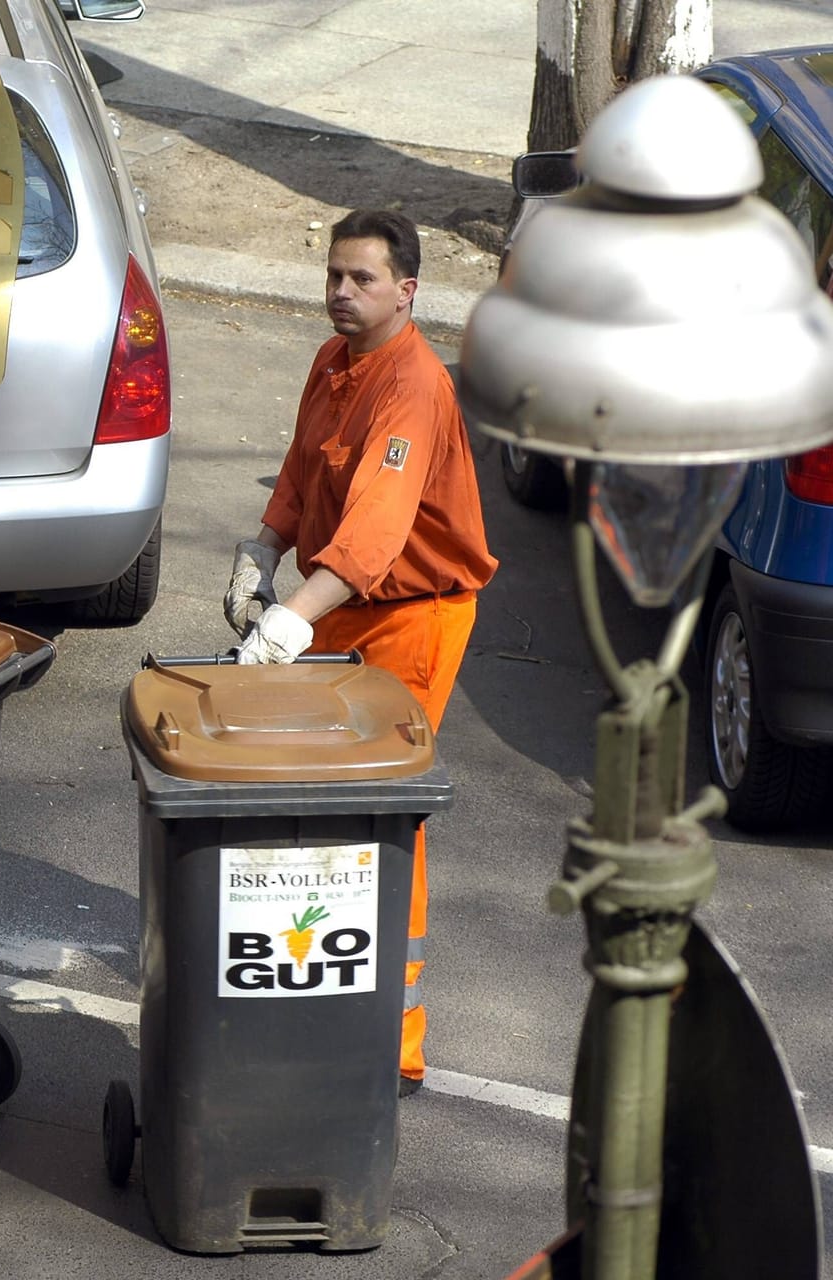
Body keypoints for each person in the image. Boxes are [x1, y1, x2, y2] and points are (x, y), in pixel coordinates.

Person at [223, 209, 497, 1096]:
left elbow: (376, 533)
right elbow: (306, 471)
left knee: (384, 812)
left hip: (412, 617)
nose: (342, 292)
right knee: (326, 797)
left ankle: (394, 1042)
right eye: (335, 275)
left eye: (363, 280)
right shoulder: (333, 363)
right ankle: (317, 968)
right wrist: (261, 549)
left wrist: (287, 623)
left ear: (407, 292)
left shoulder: (412, 387)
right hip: (342, 607)